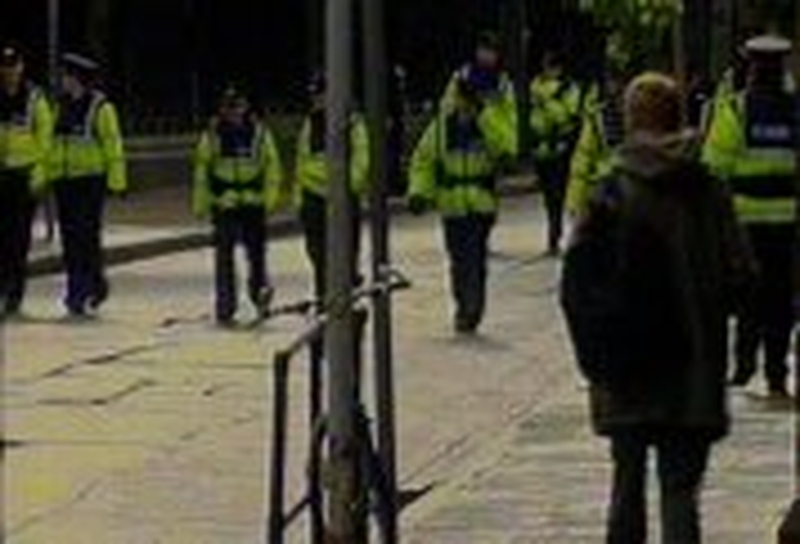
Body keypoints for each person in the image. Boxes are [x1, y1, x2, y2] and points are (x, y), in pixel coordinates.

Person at [561, 73, 755, 544]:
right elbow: (742, 277)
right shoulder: (707, 191)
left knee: (625, 487)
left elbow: (576, 284)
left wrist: (594, 353)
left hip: (624, 369)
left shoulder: (607, 193)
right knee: (680, 493)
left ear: (630, 122)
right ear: (678, 119)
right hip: (692, 370)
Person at [703, 34, 796, 398]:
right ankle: (776, 373)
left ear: (751, 67)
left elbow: (715, 167)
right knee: (782, 302)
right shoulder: (795, 111)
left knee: (747, 299)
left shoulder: (736, 110)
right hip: (788, 227)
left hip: (745, 225)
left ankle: (743, 366)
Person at [407, 51, 518, 334]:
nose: (466, 105)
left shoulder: (489, 123)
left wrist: (484, 116)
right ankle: (462, 306)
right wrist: (419, 193)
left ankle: (473, 308)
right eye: (464, 98)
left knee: (476, 260)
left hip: (481, 205)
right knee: (458, 261)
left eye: (472, 99)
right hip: (452, 205)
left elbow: (506, 147)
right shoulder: (444, 126)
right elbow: (423, 159)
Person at [193, 87, 283, 326]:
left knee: (257, 256)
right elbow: (202, 170)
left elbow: (272, 166)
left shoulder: (259, 134)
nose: (234, 113)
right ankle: (225, 307)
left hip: (253, 202)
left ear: (246, 108)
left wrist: (270, 198)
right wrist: (201, 203)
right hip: (224, 203)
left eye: (238, 107)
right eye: (229, 107)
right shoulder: (213, 135)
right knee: (224, 257)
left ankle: (259, 296)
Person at [47, 52, 125, 317]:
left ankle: (82, 291)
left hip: (90, 181)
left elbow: (112, 144)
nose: (62, 81)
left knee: (86, 237)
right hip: (65, 181)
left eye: (66, 76)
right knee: (70, 240)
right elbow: (53, 143)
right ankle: (84, 287)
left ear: (77, 78)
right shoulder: (60, 106)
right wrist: (49, 173)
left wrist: (116, 181)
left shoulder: (100, 107)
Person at [293, 72, 369, 301]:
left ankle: (347, 298)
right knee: (318, 255)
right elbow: (301, 161)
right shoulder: (311, 123)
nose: (317, 100)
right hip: (314, 197)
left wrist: (348, 187)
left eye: (320, 95)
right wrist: (299, 200)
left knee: (346, 253)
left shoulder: (351, 121)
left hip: (342, 197)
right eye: (314, 96)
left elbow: (361, 157)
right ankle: (323, 300)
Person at [0, 44, 52, 319]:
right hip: (1, 175)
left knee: (19, 239)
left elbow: (45, 139)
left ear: (21, 68)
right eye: (5, 67)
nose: (9, 72)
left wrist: (39, 173)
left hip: (24, 176)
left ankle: (14, 295)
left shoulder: (34, 98)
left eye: (13, 66)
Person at [529, 51, 582, 254]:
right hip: (541, 148)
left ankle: (555, 235)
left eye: (552, 67)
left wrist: (547, 103)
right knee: (548, 196)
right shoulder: (535, 86)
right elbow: (533, 117)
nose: (549, 71)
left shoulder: (568, 88)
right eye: (546, 66)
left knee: (558, 195)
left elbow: (568, 114)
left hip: (560, 147)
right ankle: (554, 232)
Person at [565, 61, 626, 219]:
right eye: (611, 81)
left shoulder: (642, 113)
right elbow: (583, 158)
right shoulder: (598, 116)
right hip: (607, 192)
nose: (615, 87)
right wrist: (575, 201)